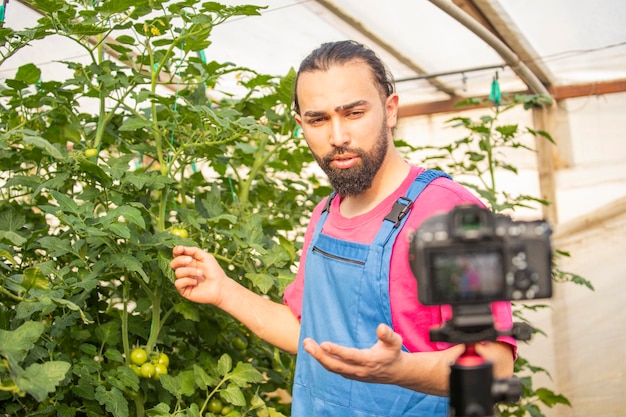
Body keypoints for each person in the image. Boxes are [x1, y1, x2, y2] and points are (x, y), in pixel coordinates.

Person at [170, 40, 516, 417]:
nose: (337, 137)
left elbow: (495, 363)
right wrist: (224, 292)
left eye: (353, 113)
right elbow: (309, 334)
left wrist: (400, 370)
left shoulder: (448, 213)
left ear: (390, 111)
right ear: (302, 126)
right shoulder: (324, 214)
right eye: (319, 120)